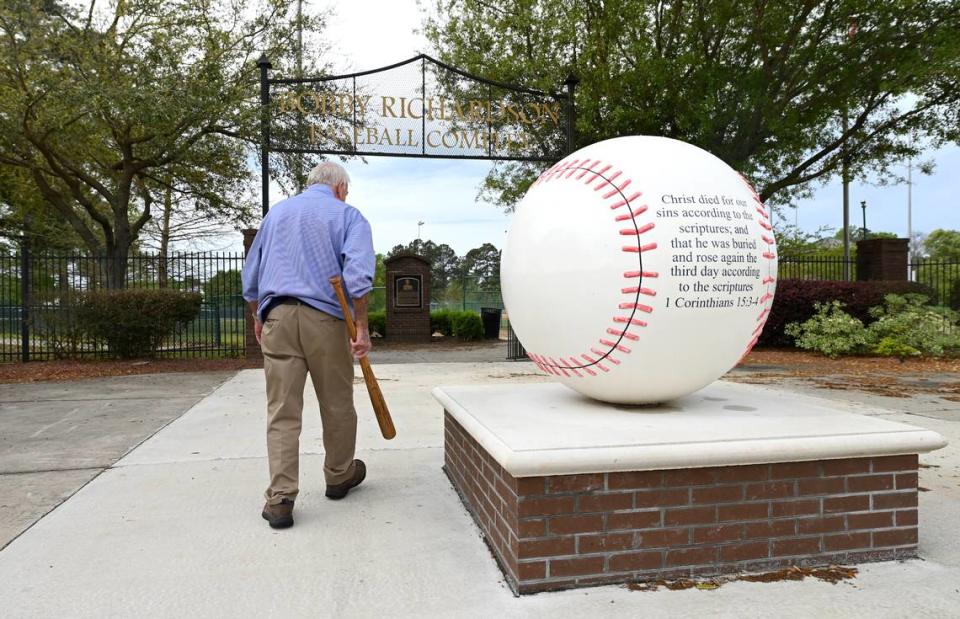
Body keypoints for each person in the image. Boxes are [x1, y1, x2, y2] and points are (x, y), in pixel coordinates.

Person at [241, 161, 375, 529]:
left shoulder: (277, 214)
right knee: (337, 403)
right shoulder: (348, 216)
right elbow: (359, 277)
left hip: (278, 317)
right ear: (340, 188)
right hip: (327, 319)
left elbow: (251, 275)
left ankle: (281, 498)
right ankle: (339, 474)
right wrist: (360, 327)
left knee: (282, 409)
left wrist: (259, 316)